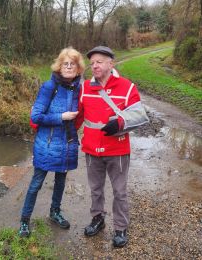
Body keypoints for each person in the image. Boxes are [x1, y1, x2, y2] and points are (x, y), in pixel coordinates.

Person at [75, 46, 149, 247]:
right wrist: (67, 134)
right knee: (96, 189)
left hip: (117, 149)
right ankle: (98, 219)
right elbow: (78, 116)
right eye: (92, 63)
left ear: (111, 63)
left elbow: (140, 115)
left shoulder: (127, 87)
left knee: (120, 191)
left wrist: (120, 123)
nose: (95, 66)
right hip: (91, 148)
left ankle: (120, 228)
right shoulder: (84, 88)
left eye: (99, 62)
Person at [19, 47, 85, 237]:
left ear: (78, 68)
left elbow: (95, 93)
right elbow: (36, 116)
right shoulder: (49, 87)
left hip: (67, 143)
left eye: (73, 64)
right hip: (47, 144)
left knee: (60, 181)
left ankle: (55, 212)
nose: (69, 67)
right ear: (59, 66)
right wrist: (61, 116)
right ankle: (24, 220)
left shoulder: (79, 88)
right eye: (66, 64)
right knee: (36, 183)